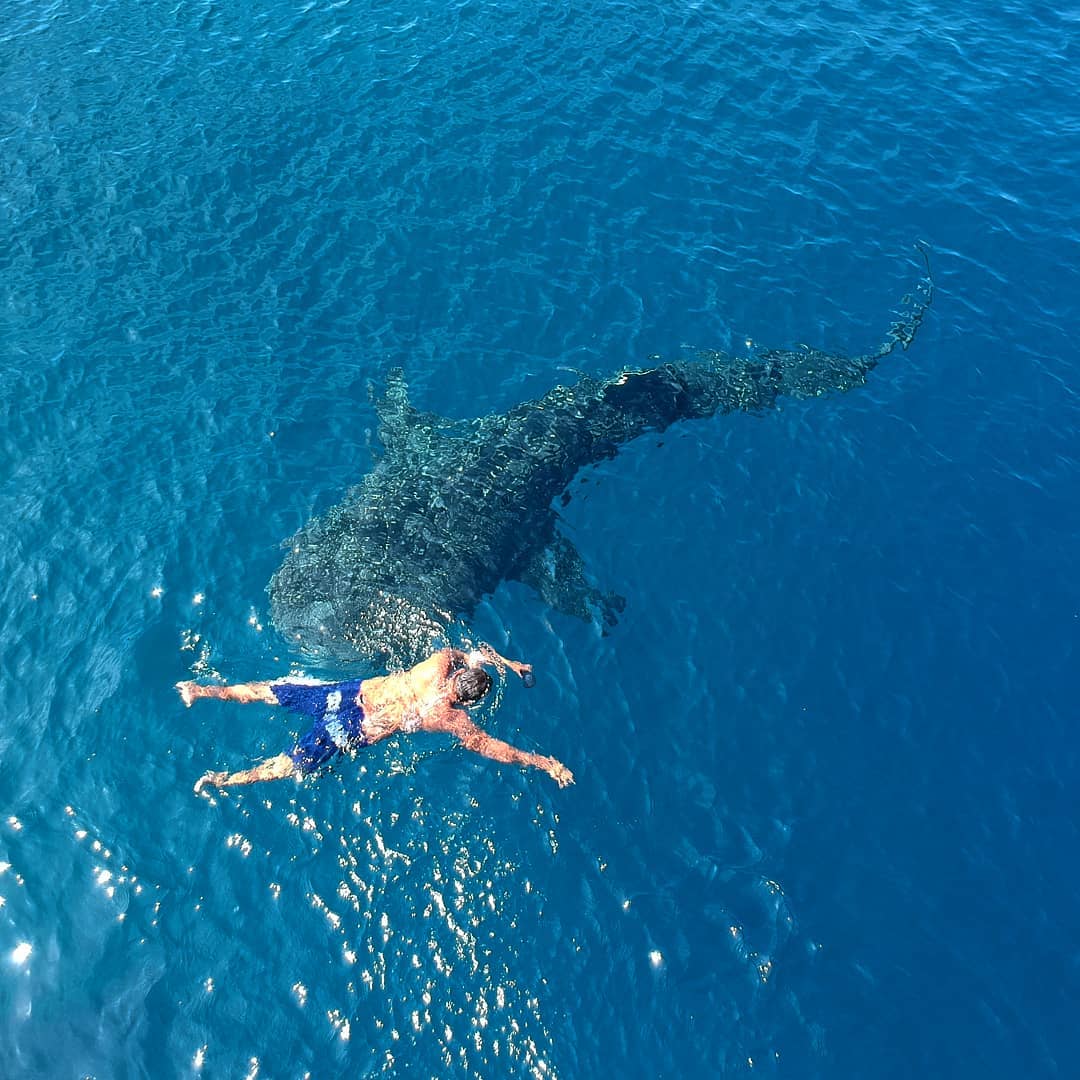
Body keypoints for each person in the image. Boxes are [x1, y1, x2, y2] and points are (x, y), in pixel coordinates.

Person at [179, 645, 574, 793]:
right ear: (470, 702)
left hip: (350, 693)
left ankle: (202, 691)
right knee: (290, 765)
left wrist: (502, 661)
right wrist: (544, 763)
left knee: (272, 691)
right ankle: (223, 780)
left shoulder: (439, 663)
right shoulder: (451, 718)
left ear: (458, 675)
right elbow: (492, 748)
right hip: (354, 729)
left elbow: (472, 651)